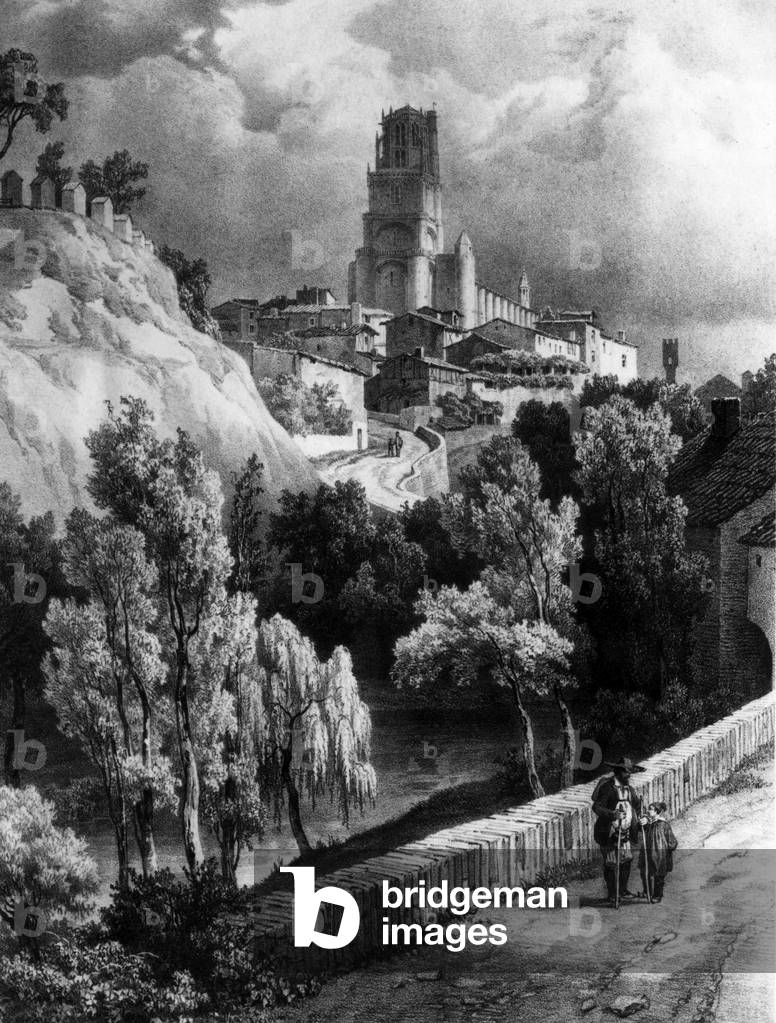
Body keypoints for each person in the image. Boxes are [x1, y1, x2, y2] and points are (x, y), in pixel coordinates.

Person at [592, 756, 644, 906]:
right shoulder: (608, 788)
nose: (629, 775)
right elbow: (597, 807)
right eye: (627, 773)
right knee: (611, 862)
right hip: (609, 832)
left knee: (626, 860)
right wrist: (613, 814)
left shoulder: (629, 789)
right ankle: (612, 894)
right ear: (619, 772)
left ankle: (623, 891)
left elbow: (637, 806)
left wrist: (641, 817)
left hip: (625, 832)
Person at [638, 801, 678, 903]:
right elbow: (639, 829)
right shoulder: (649, 823)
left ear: (657, 811)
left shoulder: (664, 825)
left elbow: (673, 842)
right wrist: (642, 822)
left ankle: (657, 895)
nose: (648, 811)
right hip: (647, 853)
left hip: (659, 854)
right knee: (645, 871)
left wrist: (665, 851)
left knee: (658, 874)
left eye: (650, 809)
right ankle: (647, 891)